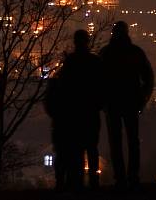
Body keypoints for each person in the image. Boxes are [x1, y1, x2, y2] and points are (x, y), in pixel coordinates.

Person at [100, 21, 154, 190]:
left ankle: (120, 177)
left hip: (113, 103)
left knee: (116, 142)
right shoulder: (135, 52)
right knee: (133, 141)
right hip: (130, 102)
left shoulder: (106, 53)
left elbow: (97, 81)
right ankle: (133, 176)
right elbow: (148, 77)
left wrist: (103, 101)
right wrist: (143, 98)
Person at [56, 29, 105, 190]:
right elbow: (102, 86)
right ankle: (93, 180)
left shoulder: (70, 62)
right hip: (91, 111)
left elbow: (63, 87)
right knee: (92, 147)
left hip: (75, 112)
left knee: (76, 148)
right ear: (87, 42)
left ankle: (76, 181)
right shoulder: (94, 61)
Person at [44, 69, 73, 191]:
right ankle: (70, 182)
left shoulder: (54, 87)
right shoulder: (73, 87)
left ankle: (60, 181)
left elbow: (48, 104)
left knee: (61, 154)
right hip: (71, 125)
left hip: (59, 124)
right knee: (71, 154)